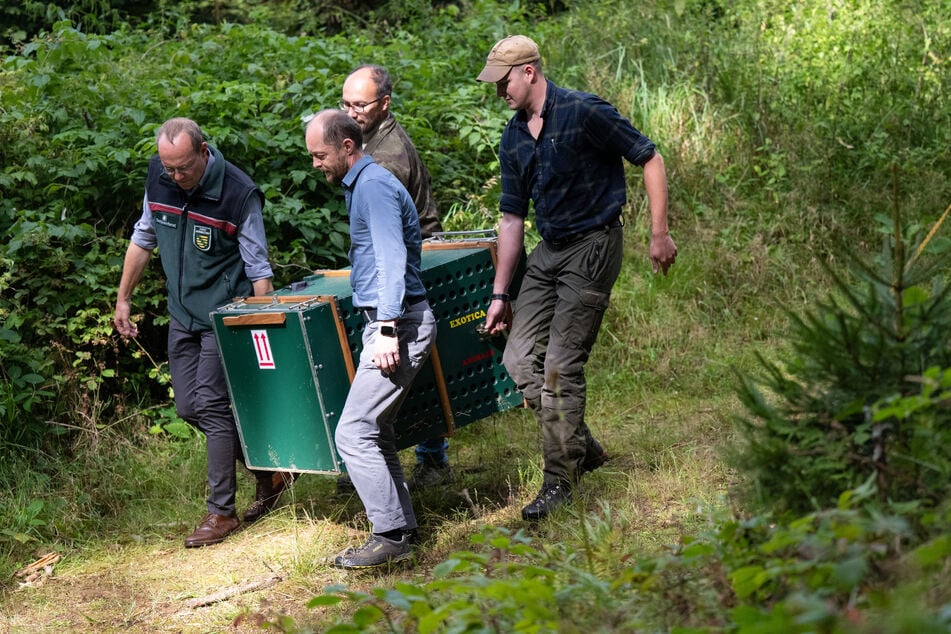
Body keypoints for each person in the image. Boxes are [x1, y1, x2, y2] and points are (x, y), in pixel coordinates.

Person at [477, 36, 678, 521]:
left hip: (594, 244)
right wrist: (501, 293)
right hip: (549, 251)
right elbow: (511, 220)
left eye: (503, 81)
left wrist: (659, 232)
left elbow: (649, 158)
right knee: (521, 360)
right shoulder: (513, 137)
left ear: (528, 71)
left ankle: (558, 481)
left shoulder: (584, 112)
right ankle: (581, 446)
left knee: (561, 367)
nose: (499, 91)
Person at [114, 118, 295, 548]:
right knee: (188, 408)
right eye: (167, 168)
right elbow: (143, 239)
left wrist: (260, 329)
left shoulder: (237, 192)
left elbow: (259, 269)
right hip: (183, 315)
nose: (174, 177)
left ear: (203, 152)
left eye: (183, 169)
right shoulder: (159, 180)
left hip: (225, 317)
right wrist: (123, 299)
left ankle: (221, 513)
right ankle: (270, 471)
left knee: (212, 406)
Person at [305, 109, 437, 568]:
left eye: (320, 155)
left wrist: (385, 328)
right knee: (376, 431)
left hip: (397, 324)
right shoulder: (361, 186)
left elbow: (391, 259)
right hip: (390, 321)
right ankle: (402, 529)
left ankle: (389, 534)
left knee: (354, 432)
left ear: (347, 147)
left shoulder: (375, 186)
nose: (315, 164)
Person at [340, 63, 452, 488]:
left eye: (360, 104)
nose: (351, 111)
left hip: (410, 261)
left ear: (384, 104)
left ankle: (429, 458)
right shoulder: (367, 138)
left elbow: (391, 240)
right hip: (393, 259)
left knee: (407, 361)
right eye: (345, 103)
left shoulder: (385, 158)